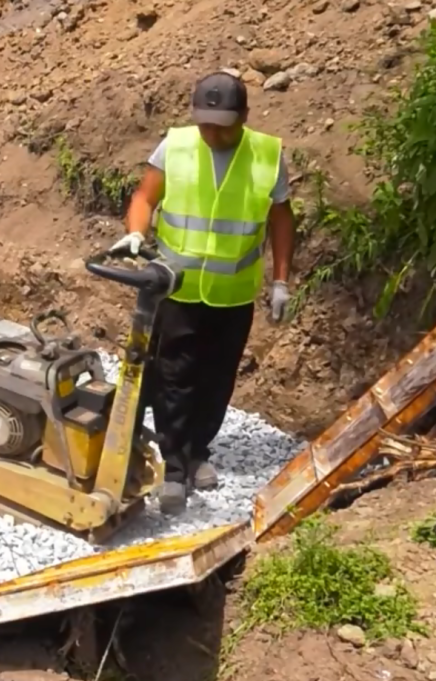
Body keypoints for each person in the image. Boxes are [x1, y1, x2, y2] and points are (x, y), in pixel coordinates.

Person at [115, 71, 298, 514]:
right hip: (178, 288)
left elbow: (281, 219)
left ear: (244, 117)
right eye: (205, 125)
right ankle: (175, 467)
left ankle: (198, 450)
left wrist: (281, 281)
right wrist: (136, 233)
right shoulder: (176, 146)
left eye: (223, 126)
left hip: (233, 294)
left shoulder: (267, 156)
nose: (212, 134)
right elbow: (144, 197)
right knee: (174, 375)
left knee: (217, 379)